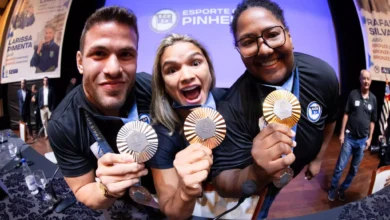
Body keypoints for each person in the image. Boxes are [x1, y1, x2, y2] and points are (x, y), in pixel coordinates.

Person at [210, 0, 339, 218]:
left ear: (289, 36)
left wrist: (317, 158)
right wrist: (257, 172)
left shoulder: (322, 75)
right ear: (239, 51)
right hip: (260, 187)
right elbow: (223, 182)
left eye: (273, 34)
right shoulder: (232, 108)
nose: (265, 49)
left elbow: (330, 119)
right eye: (248, 41)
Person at [47, 7, 162, 218]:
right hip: (118, 203)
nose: (113, 69)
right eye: (99, 53)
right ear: (80, 62)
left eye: (125, 54)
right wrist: (106, 189)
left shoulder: (154, 88)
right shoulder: (63, 123)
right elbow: (83, 190)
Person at [147, 33, 226, 219]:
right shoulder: (161, 135)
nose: (187, 76)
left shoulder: (234, 102)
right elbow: (171, 210)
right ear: (163, 85)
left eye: (195, 63)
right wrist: (185, 191)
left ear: (209, 69)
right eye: (172, 70)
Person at [328, 69, 377, 201]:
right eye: (364, 78)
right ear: (360, 80)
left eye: (368, 79)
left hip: (362, 141)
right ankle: (333, 189)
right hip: (349, 138)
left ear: (371, 81)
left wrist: (370, 138)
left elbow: (373, 121)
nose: (366, 81)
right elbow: (346, 114)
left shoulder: (373, 99)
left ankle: (342, 189)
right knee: (340, 167)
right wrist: (342, 133)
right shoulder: (353, 94)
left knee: (354, 170)